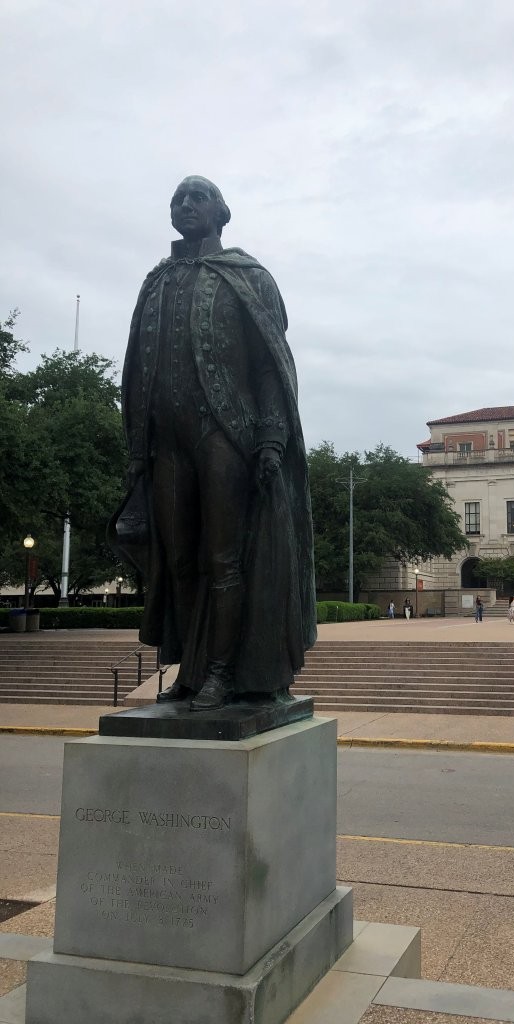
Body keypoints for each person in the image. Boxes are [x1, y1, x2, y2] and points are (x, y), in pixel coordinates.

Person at [109, 176, 316, 712]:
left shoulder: (247, 278)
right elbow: (136, 367)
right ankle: (190, 670)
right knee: (178, 560)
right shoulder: (155, 282)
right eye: (177, 199)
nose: (184, 205)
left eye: (196, 197)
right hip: (167, 443)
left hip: (226, 432)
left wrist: (272, 435)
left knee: (224, 558)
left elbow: (271, 363)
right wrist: (137, 448)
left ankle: (224, 671)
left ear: (222, 212)